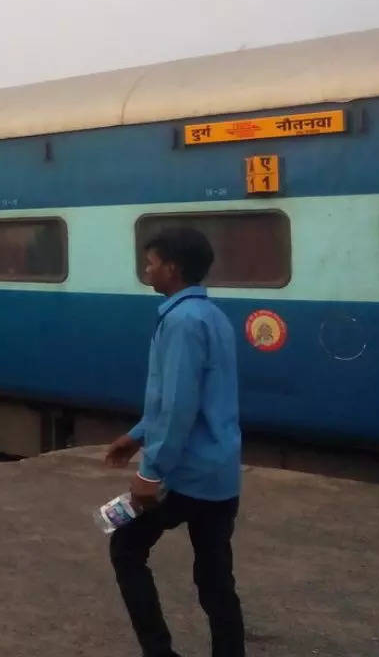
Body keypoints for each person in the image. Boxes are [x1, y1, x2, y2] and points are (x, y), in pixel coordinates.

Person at [104, 227, 244, 657]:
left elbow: (180, 404)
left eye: (151, 262)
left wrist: (151, 471)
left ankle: (158, 651)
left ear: (172, 268)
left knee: (125, 548)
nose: (146, 269)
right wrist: (137, 434)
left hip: (186, 473)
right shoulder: (211, 316)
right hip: (221, 473)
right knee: (215, 574)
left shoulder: (181, 322)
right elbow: (184, 396)